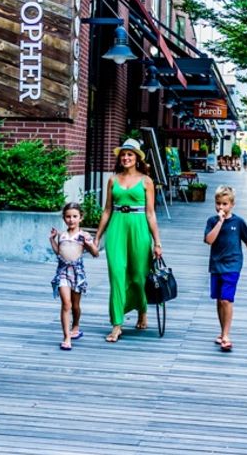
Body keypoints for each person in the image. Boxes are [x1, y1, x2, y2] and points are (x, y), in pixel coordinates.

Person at [95, 138, 163, 343]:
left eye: (130, 155)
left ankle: (142, 310)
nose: (126, 157)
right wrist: (97, 236)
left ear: (137, 158)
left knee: (139, 275)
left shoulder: (146, 181)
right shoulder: (112, 180)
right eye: (123, 154)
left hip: (139, 226)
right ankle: (117, 324)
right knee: (116, 274)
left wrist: (157, 242)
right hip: (117, 226)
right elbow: (107, 210)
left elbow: (151, 214)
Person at [204, 185, 247, 352]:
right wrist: (220, 222)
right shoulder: (212, 221)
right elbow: (209, 240)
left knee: (226, 300)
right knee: (219, 300)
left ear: (232, 204)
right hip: (216, 265)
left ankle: (227, 335)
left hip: (233, 265)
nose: (221, 207)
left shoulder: (238, 222)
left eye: (224, 204)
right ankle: (222, 332)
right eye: (218, 203)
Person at [49, 202, 99, 351]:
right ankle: (66, 337)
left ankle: (75, 325)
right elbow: (59, 252)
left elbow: (95, 253)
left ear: (80, 218)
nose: (71, 219)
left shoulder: (83, 235)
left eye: (74, 216)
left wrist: (88, 244)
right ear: (64, 218)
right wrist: (52, 239)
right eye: (68, 216)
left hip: (77, 273)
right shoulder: (62, 235)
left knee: (75, 306)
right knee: (66, 304)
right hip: (63, 272)